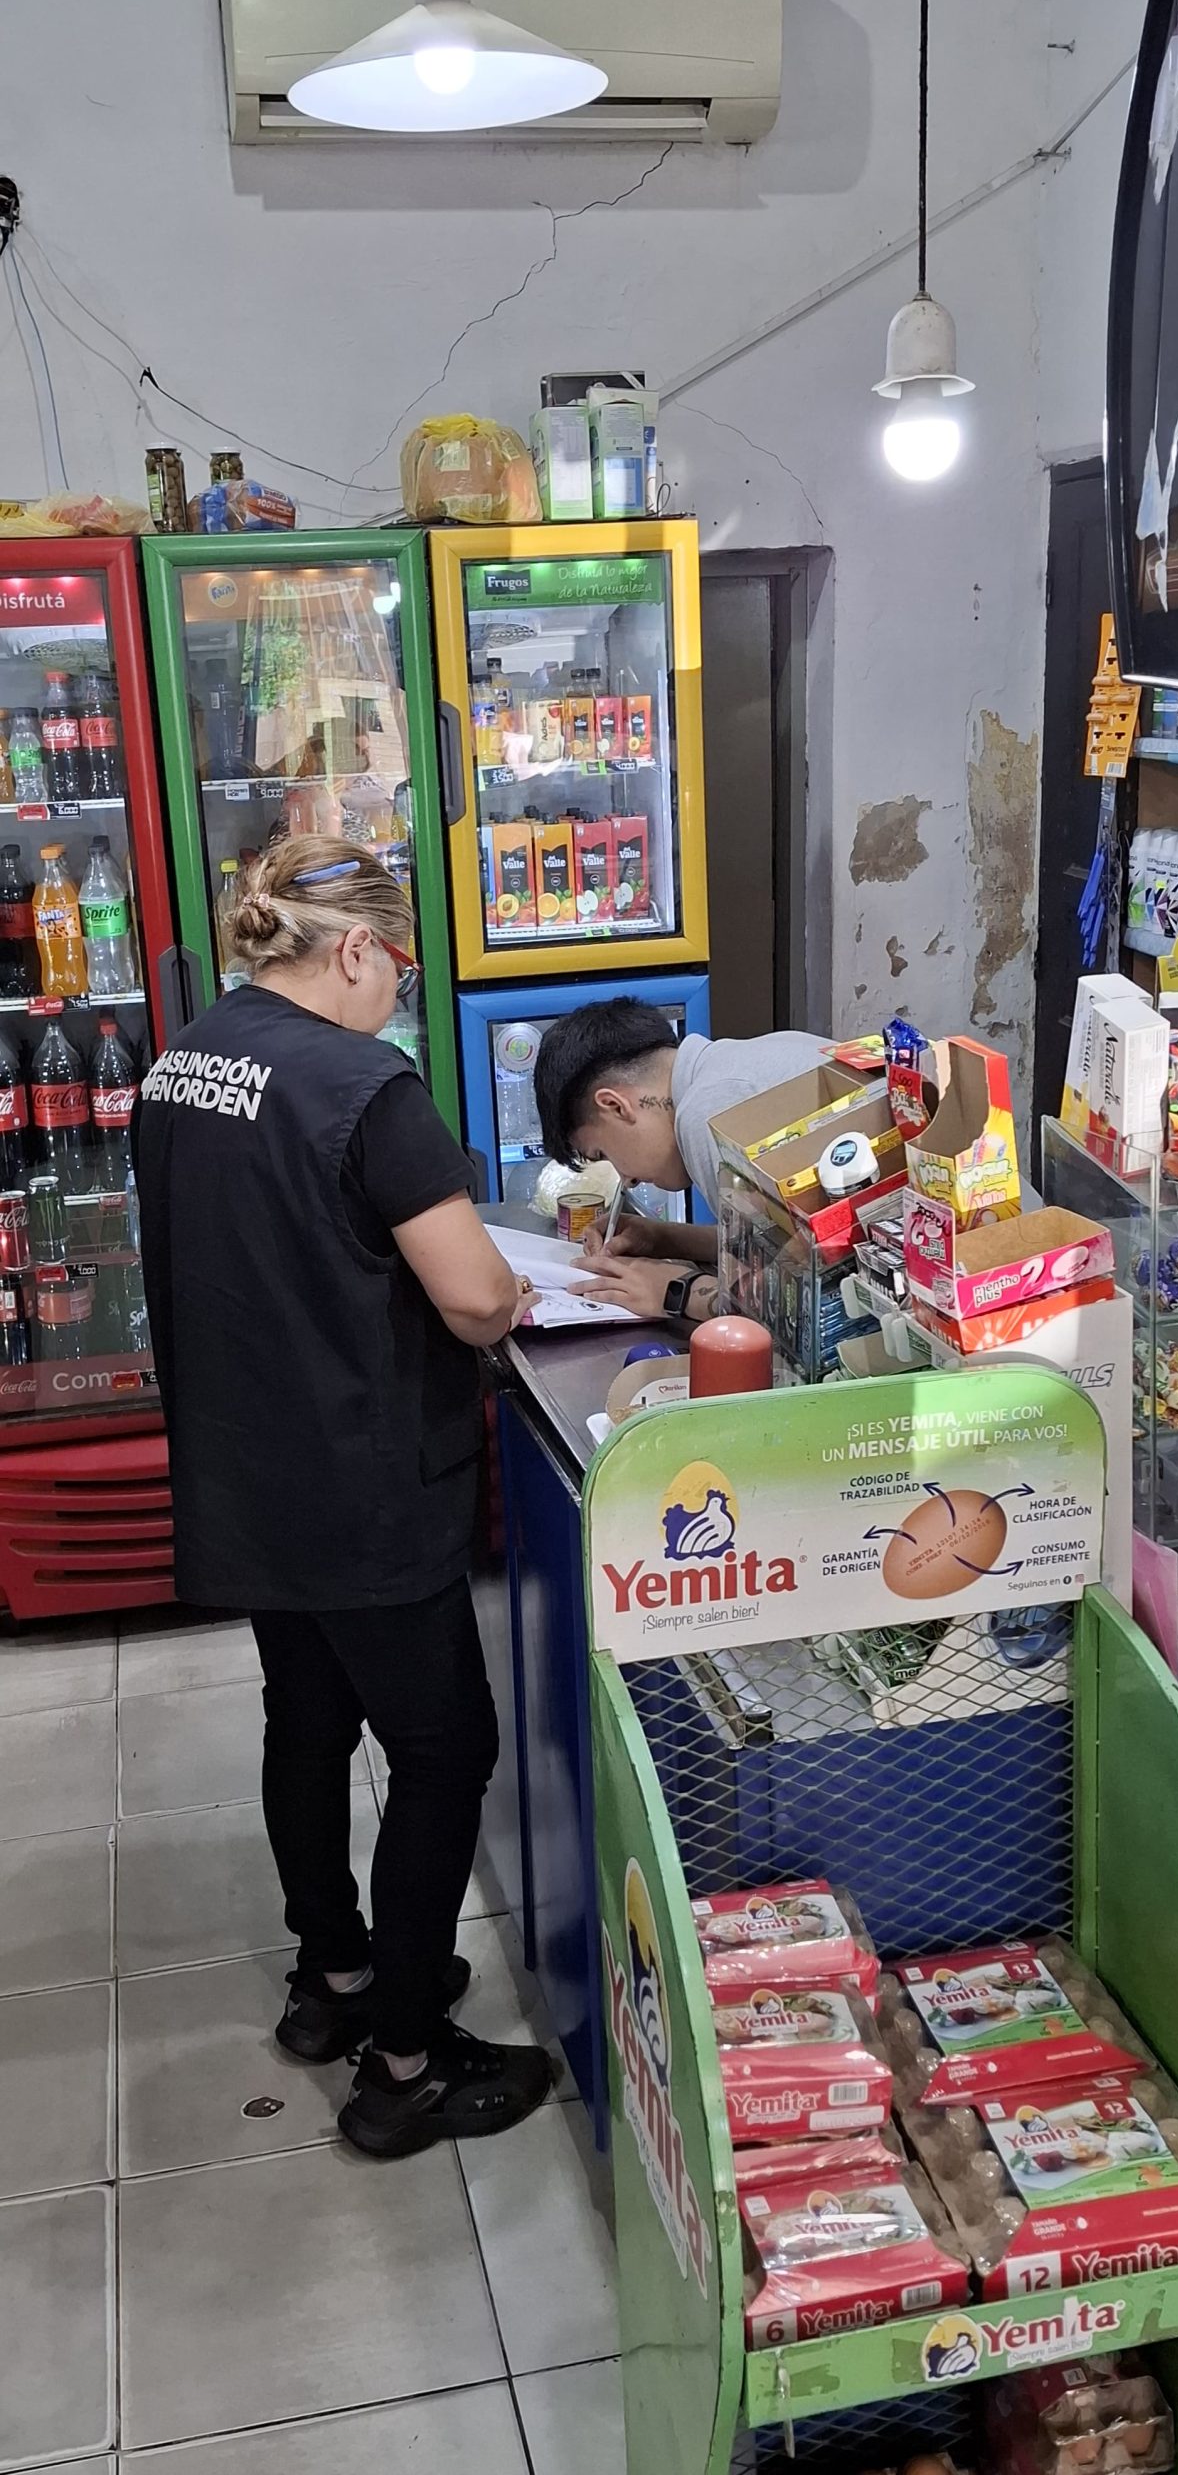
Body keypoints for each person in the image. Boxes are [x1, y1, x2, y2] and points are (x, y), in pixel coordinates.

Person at [134, 836, 551, 2161]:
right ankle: (407, 2064)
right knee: (441, 1753)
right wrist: (519, 1288)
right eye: (401, 970)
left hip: (245, 1469)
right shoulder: (369, 1088)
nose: (398, 997)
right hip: (362, 1481)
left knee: (306, 1722)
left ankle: (337, 1977)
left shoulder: (184, 1060)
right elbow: (474, 1298)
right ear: (360, 948)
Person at [533, 997, 828, 1321]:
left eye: (603, 1154)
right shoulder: (761, 1054)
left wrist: (676, 1291)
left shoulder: (706, 1112)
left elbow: (785, 1309)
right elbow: (786, 1245)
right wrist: (665, 1238)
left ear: (615, 1106)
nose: (627, 1179)